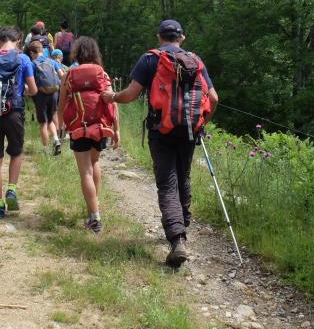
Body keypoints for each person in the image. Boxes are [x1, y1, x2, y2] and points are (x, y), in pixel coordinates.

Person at [102, 20, 218, 267]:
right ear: (182, 38)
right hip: (189, 130)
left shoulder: (150, 59)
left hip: (160, 129)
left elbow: (130, 95)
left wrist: (112, 97)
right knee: (183, 175)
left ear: (159, 37)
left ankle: (177, 239)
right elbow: (214, 98)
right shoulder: (195, 60)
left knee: (167, 182)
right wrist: (201, 123)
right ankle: (182, 224)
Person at [56, 36, 120, 233]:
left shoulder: (69, 75)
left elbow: (61, 106)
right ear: (95, 53)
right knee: (94, 163)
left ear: (77, 53)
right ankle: (94, 208)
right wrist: (117, 130)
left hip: (78, 127)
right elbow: (112, 101)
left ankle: (94, 217)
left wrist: (60, 128)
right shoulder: (102, 74)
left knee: (85, 171)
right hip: (100, 127)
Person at [0, 26, 37, 219]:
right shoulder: (23, 59)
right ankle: (11, 189)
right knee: (16, 152)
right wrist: (25, 89)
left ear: (0, 39)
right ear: (18, 41)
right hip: (15, 112)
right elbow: (34, 90)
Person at [27, 40, 62, 155]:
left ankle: (46, 150)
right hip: (54, 93)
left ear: (32, 53)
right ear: (42, 50)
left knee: (43, 122)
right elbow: (62, 75)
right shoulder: (52, 61)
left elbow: (30, 81)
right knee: (51, 119)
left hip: (40, 95)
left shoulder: (32, 64)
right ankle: (56, 140)